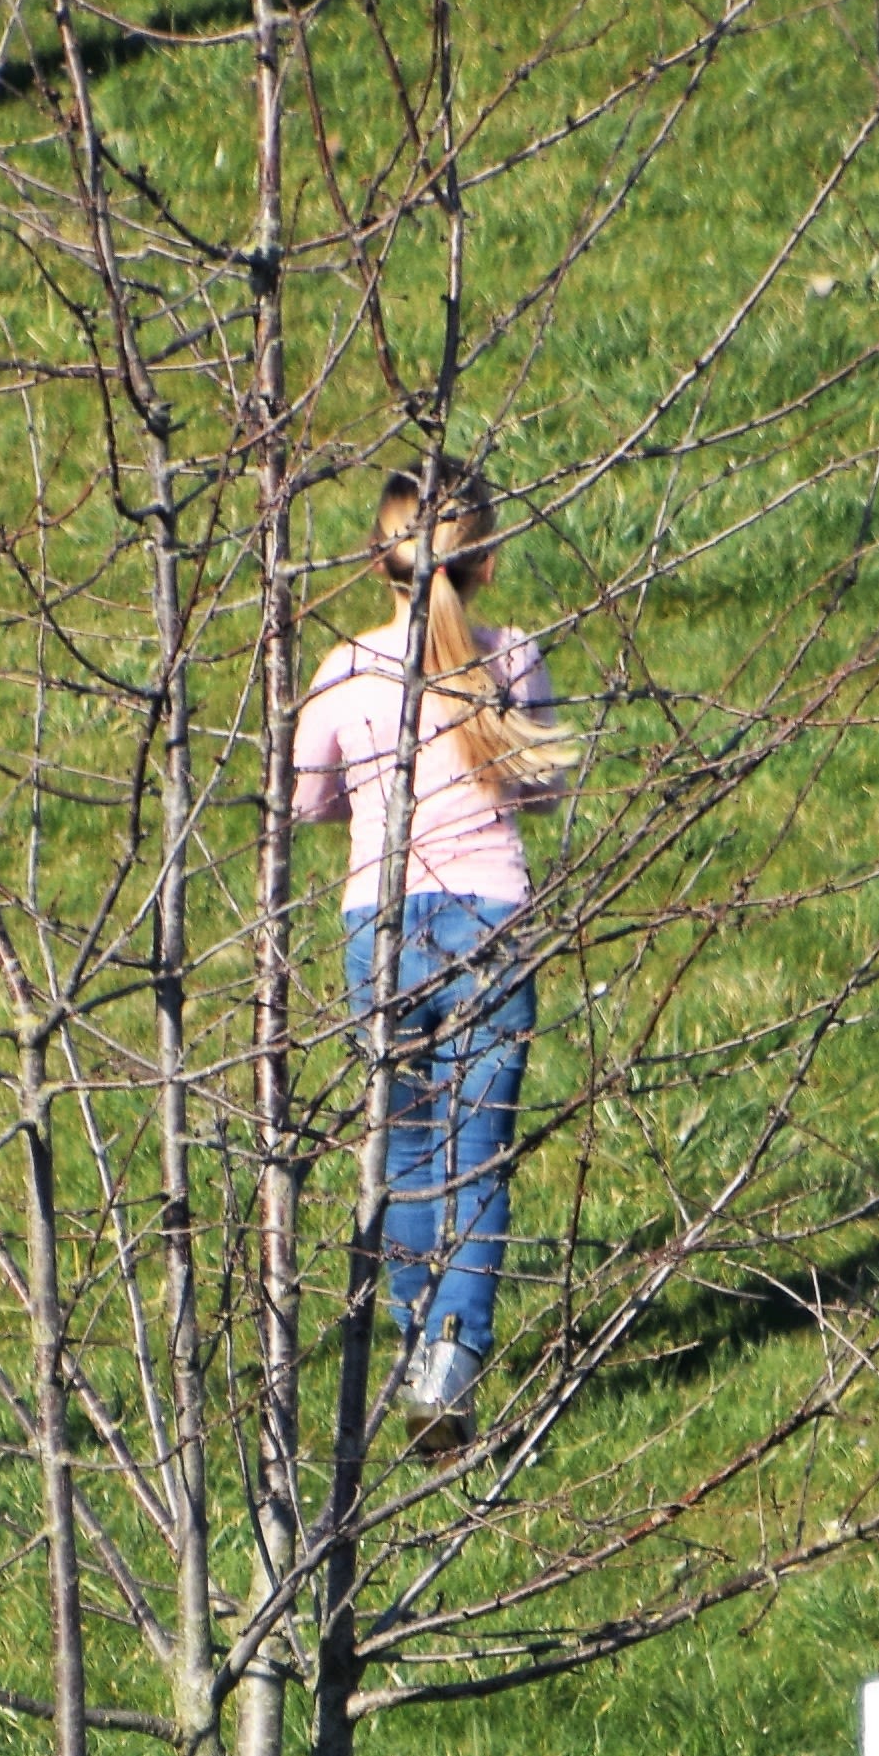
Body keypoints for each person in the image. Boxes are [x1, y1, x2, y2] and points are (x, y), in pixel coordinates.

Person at [282, 460, 579, 1449]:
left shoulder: (343, 669)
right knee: (474, 1155)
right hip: (493, 917)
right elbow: (536, 786)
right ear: (486, 561)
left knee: (402, 1148)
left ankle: (414, 1343)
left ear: (381, 561)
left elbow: (303, 800)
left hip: (381, 929)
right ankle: (451, 1365)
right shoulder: (514, 655)